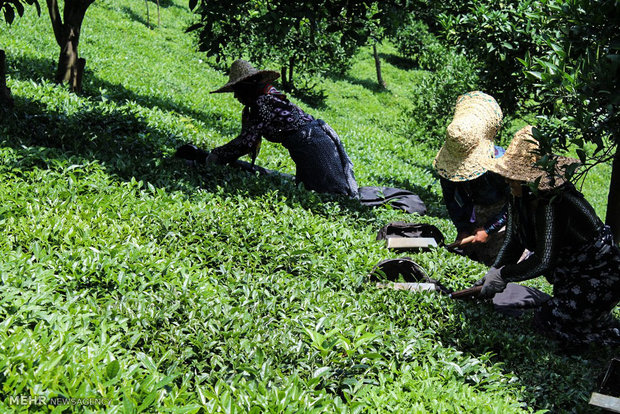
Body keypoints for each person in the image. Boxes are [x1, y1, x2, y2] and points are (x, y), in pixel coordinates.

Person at [474, 126, 620, 346]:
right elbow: (514, 239)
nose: (507, 180)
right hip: (570, 277)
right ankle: (595, 319)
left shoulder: (552, 203)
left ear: (529, 179)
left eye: (513, 177)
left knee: (550, 324)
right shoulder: (518, 196)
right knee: (559, 317)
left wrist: (505, 275)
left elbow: (544, 260)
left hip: (599, 277)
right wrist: (494, 271)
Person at [203, 59, 358, 197]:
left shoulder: (264, 102)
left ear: (248, 87)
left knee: (332, 194)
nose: (236, 96)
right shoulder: (266, 98)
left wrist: (217, 156)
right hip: (311, 143)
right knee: (310, 189)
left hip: (315, 145)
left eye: (237, 90)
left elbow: (246, 142)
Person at [433, 91, 509, 265]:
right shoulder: (447, 167)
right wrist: (463, 228)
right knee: (472, 258)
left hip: (501, 219)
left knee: (500, 265)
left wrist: (490, 229)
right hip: (472, 216)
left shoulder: (499, 165)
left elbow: (516, 205)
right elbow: (451, 199)